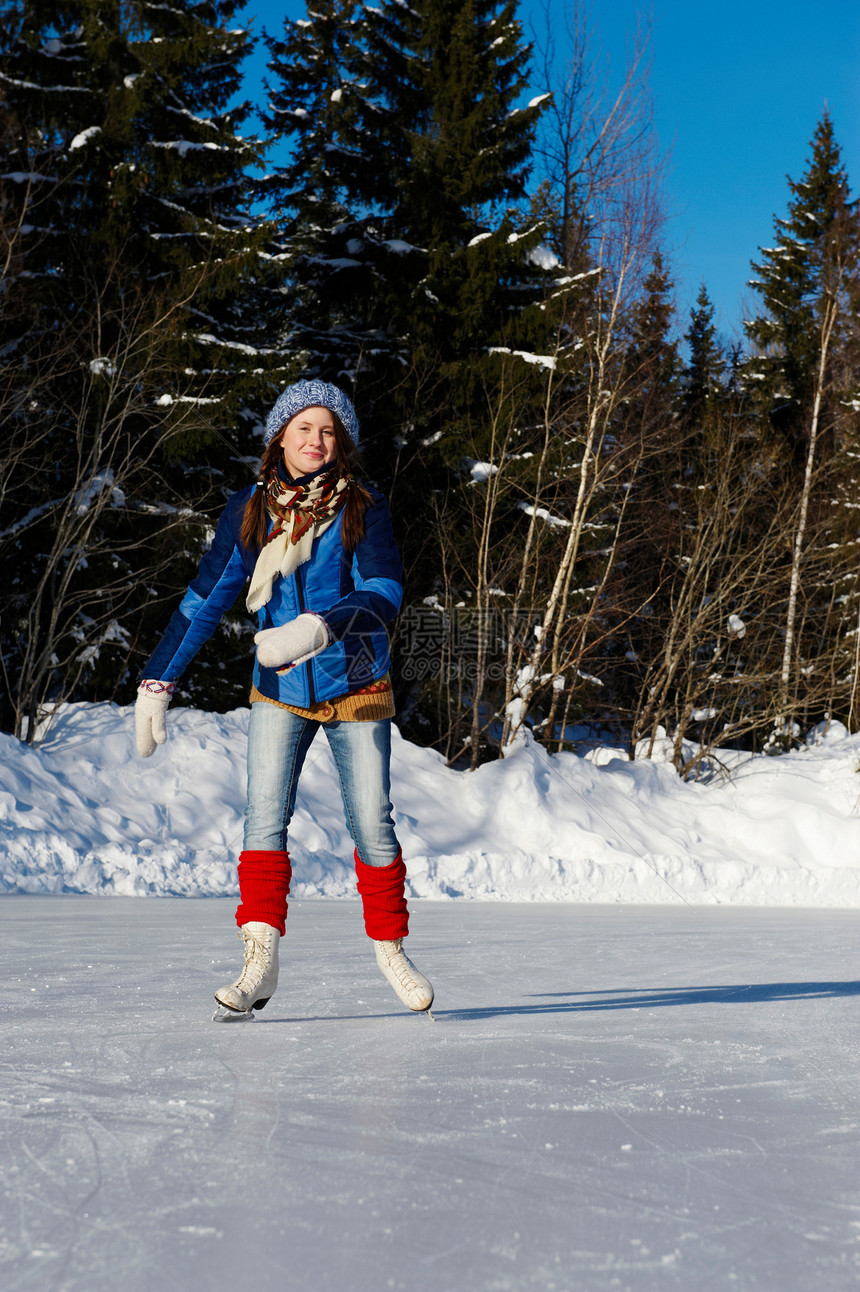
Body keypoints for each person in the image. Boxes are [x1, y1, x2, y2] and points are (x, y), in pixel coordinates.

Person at [134, 379, 433, 1016]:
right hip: (280, 685)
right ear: (281, 436)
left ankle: (392, 951)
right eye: (304, 428)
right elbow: (206, 597)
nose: (316, 441)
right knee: (264, 819)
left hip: (354, 678)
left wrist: (321, 625)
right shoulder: (249, 510)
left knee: (372, 824)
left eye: (327, 431)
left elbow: (383, 591)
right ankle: (259, 960)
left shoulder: (362, 505)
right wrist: (158, 680)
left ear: (341, 442)